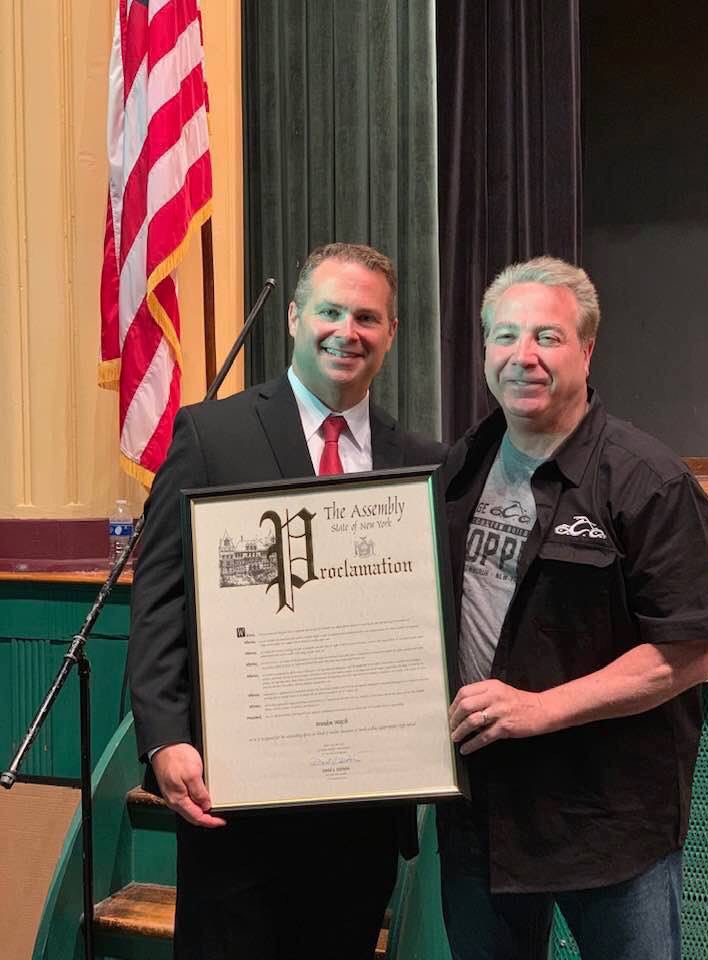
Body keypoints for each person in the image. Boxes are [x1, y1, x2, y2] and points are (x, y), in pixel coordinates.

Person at [128, 242, 446, 960]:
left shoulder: (422, 462)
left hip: (360, 814)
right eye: (330, 311)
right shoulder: (212, 434)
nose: (348, 331)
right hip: (237, 803)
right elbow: (160, 600)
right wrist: (163, 734)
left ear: (391, 333)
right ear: (295, 318)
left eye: (368, 317)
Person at [438, 256, 708, 960]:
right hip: (483, 818)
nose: (522, 357)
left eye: (547, 337)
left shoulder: (648, 480)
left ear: (587, 350)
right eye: (504, 337)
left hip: (609, 826)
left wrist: (539, 708)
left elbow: (690, 651)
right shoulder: (460, 467)